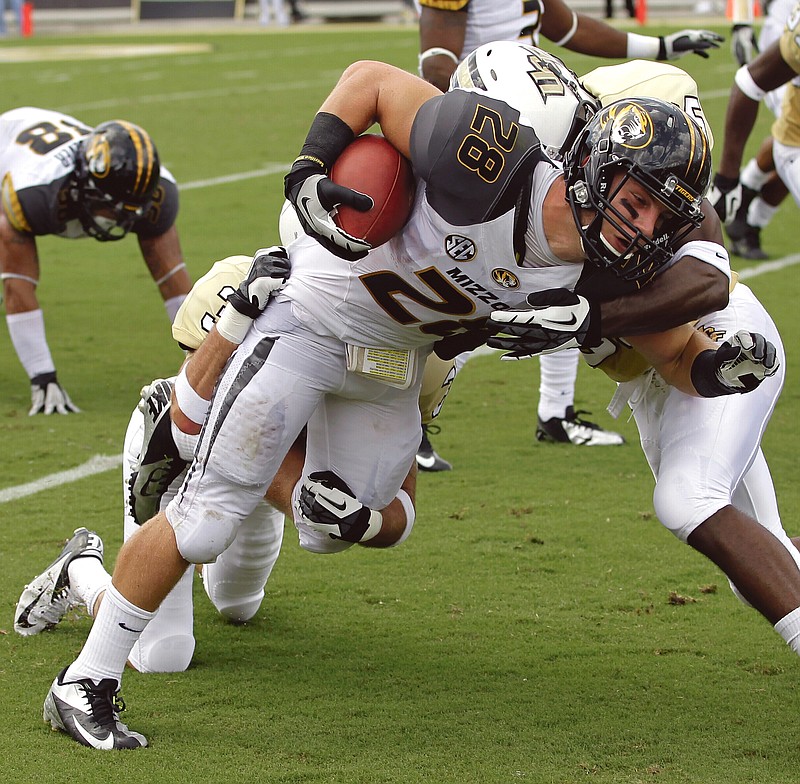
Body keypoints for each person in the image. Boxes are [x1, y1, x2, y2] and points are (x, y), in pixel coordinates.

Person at [40, 50, 777, 749]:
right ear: (595, 168)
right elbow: (370, 79)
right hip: (311, 321)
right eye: (638, 201)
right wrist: (307, 166)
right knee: (207, 515)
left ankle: (205, 476)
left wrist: (723, 373)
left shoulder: (605, 274)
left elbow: (680, 355)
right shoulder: (488, 157)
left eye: (662, 218)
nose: (642, 228)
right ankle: (85, 682)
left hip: (395, 363)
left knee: (334, 528)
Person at [16, 248, 416, 674]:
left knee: (238, 606)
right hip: (175, 448)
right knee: (162, 654)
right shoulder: (250, 293)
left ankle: (210, 545)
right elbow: (190, 423)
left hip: (263, 462)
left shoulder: (393, 352)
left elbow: (403, 504)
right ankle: (81, 570)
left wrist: (365, 523)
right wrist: (237, 317)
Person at [415, 0, 724, 466]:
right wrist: (451, 143)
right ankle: (410, 411)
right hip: (490, 143)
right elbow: (437, 57)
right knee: (468, 282)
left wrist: (658, 44)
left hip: (545, 130)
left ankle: (555, 410)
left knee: (567, 269)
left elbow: (566, 26)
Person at [0, 108, 192, 416]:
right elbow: (17, 283)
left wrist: (206, 364)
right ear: (82, 182)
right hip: (7, 145)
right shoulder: (36, 193)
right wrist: (43, 377)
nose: (118, 218)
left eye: (129, 210)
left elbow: (173, 279)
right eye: (109, 206)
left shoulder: (159, 194)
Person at [710, 0, 800, 248]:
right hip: (782, 36)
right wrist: (742, 21)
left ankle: (749, 198)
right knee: (789, 128)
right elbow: (750, 83)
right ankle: (748, 211)